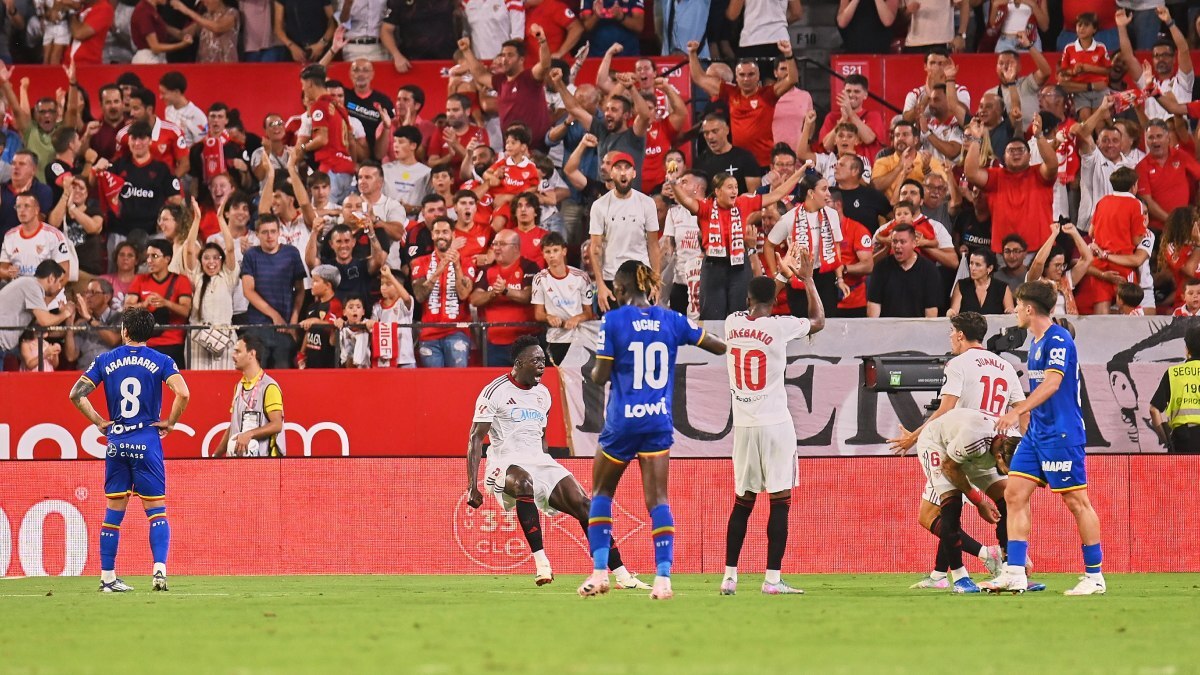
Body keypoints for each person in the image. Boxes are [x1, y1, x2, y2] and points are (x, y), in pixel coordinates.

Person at [579, 260, 726, 600]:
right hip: (658, 421)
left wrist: (598, 370)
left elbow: (600, 376)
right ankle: (663, 579)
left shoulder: (613, 320)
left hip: (623, 422)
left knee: (602, 493)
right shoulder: (671, 320)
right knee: (658, 499)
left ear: (620, 289)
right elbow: (718, 346)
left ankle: (601, 573)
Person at [466, 335, 650, 590]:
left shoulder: (543, 394)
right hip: (504, 462)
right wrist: (472, 486)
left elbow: (540, 437)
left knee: (586, 506)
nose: (542, 365)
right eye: (536, 360)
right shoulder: (494, 391)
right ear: (519, 363)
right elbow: (475, 439)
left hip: (539, 460)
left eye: (543, 360)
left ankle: (623, 576)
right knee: (523, 482)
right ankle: (542, 564)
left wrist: (549, 467)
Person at [888, 311, 1026, 589]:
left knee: (931, 515)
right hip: (994, 447)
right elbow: (1021, 411)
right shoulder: (1005, 366)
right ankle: (1003, 568)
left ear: (961, 334)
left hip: (960, 444)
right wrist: (1022, 441)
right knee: (1006, 501)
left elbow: (946, 409)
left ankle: (967, 569)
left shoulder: (958, 364)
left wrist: (913, 437)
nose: (950, 337)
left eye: (952, 331)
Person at [984, 282, 1105, 596]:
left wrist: (1016, 411)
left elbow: (1052, 384)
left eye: (1018, 305)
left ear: (1028, 308)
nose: (1014, 311)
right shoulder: (1036, 342)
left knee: (1077, 502)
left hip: (1061, 434)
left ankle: (1094, 576)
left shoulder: (1058, 339)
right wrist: (1026, 423)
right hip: (1037, 435)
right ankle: (1015, 573)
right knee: (1014, 494)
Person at [721, 254, 825, 597]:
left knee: (743, 500)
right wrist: (806, 279)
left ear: (747, 300)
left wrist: (780, 275)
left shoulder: (732, 323)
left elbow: (762, 297)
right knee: (780, 499)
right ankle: (772, 579)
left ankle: (729, 577)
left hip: (745, 425)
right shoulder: (780, 326)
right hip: (775, 424)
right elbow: (818, 320)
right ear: (776, 301)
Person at [69, 307, 191, 592]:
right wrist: (171, 422)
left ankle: (107, 577)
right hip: (147, 442)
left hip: (117, 442)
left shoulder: (105, 359)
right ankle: (159, 571)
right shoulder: (162, 360)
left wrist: (99, 421)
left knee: (113, 513)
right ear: (148, 333)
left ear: (124, 330)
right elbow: (183, 393)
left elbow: (76, 394)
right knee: (156, 512)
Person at [913, 409, 1023, 593]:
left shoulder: (1014, 439)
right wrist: (979, 502)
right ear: (998, 457)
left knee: (1009, 500)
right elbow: (950, 467)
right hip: (939, 446)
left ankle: (1009, 570)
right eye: (1008, 468)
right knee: (952, 505)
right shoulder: (974, 438)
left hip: (974, 450)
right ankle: (959, 577)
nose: (1010, 473)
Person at [675, 168, 807, 320]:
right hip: (713, 268)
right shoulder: (706, 207)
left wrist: (800, 171)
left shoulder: (744, 203)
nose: (734, 191)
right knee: (712, 316)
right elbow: (685, 201)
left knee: (740, 314)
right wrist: (673, 182)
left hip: (739, 267)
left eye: (736, 187)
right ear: (717, 191)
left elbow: (777, 194)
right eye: (729, 187)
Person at [587, 152, 661, 312]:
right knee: (614, 332)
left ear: (634, 173)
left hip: (642, 277)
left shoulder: (647, 203)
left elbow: (654, 245)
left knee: (643, 330)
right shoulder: (599, 206)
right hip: (611, 279)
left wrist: (655, 282)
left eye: (627, 168)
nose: (622, 172)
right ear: (611, 173)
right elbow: (595, 248)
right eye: (618, 168)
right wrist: (600, 285)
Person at [469, 229, 541, 367]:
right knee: (498, 386)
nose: (496, 248)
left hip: (525, 343)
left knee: (526, 385)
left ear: (515, 248)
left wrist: (505, 290)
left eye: (502, 244)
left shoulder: (529, 267)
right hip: (494, 345)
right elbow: (474, 299)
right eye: (495, 244)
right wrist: (492, 294)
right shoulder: (487, 270)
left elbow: (529, 296)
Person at [182, 199, 238, 370]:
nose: (211, 262)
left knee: (225, 387)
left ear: (221, 261)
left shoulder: (228, 278)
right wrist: (197, 219)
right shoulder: (197, 278)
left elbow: (230, 248)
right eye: (206, 258)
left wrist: (220, 218)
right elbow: (190, 249)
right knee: (199, 388)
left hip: (225, 336)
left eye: (216, 258)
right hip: (197, 337)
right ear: (201, 261)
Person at [412, 217, 474, 367]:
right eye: (437, 232)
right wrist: (438, 270)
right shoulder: (419, 263)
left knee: (457, 384)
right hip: (428, 334)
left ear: (453, 235)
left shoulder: (467, 262)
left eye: (445, 232)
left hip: (457, 332)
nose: (441, 235)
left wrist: (457, 267)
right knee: (433, 385)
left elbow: (464, 294)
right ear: (432, 235)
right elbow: (420, 296)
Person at [213, 333, 285, 457]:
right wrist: (216, 456)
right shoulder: (239, 386)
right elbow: (234, 424)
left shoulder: (269, 386)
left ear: (252, 354)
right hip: (238, 463)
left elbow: (277, 424)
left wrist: (250, 434)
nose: (233, 356)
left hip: (263, 464)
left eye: (238, 352)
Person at [125, 239, 193, 366]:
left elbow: (185, 311)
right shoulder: (140, 280)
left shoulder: (181, 280)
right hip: (144, 344)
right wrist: (143, 305)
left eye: (154, 256)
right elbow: (127, 308)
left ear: (167, 259)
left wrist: (166, 303)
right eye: (148, 256)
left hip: (172, 345)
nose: (149, 260)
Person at [532, 232, 594, 365]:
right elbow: (538, 314)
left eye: (556, 250)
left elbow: (589, 312)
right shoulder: (539, 279)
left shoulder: (581, 277)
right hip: (554, 339)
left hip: (578, 338)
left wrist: (576, 318)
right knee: (557, 380)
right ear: (543, 254)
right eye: (548, 251)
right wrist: (549, 317)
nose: (552, 255)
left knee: (578, 380)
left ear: (564, 251)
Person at [866, 223, 941, 318]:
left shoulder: (929, 270)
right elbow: (874, 305)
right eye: (894, 241)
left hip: (917, 329)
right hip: (888, 329)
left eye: (902, 242)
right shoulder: (881, 267)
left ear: (914, 243)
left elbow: (931, 310)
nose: (897, 246)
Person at [0, 260, 69, 357]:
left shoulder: (29, 284)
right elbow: (44, 321)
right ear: (51, 278)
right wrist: (65, 313)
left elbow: (39, 325)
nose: (59, 286)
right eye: (59, 281)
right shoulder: (32, 286)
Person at [1149, 325, 1200, 452]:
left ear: (1187, 350)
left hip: (1184, 438)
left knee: (1187, 472)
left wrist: (1167, 441)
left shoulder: (1173, 373)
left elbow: (1153, 410)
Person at [1025, 221, 1093, 317]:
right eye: (1057, 265)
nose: (1060, 269)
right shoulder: (1035, 281)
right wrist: (1053, 235)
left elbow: (1088, 259)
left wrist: (1075, 233)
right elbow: (1038, 262)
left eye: (1063, 265)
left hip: (1067, 328)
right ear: (1046, 265)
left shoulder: (1066, 280)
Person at [948, 250, 1014, 316]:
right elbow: (954, 313)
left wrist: (1010, 312)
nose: (973, 268)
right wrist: (950, 313)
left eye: (978, 265)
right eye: (971, 263)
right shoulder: (962, 285)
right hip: (967, 326)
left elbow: (1010, 315)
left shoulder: (1002, 288)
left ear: (989, 268)